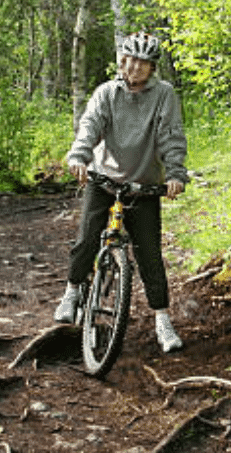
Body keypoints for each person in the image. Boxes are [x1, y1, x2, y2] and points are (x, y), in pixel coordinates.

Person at [54, 32, 190, 353]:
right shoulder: (107, 93)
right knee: (87, 239)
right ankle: (72, 292)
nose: (136, 67)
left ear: (152, 67)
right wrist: (79, 157)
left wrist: (175, 174)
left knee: (150, 255)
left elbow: (171, 136)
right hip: (103, 180)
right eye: (131, 60)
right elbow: (90, 126)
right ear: (122, 60)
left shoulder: (164, 95)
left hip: (143, 186)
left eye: (144, 62)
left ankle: (163, 321)